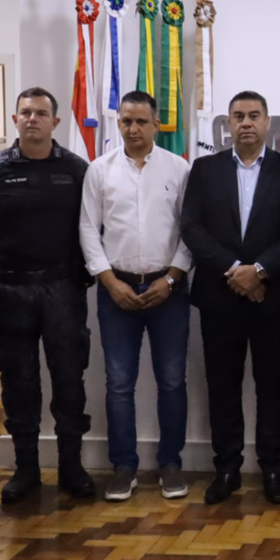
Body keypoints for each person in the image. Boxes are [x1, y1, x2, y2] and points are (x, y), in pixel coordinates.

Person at [181, 91, 280, 505]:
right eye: (238, 116)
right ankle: (227, 469)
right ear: (228, 123)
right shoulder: (204, 169)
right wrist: (235, 270)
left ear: (268, 122)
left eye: (254, 115)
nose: (246, 123)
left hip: (273, 297)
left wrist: (258, 271)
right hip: (220, 298)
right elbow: (192, 227)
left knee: (272, 387)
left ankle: (273, 469)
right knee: (222, 388)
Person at [0, 87, 94, 504]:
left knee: (69, 381)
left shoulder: (78, 170)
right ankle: (26, 469)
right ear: (15, 119)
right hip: (10, 290)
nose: (32, 119)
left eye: (41, 113)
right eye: (25, 112)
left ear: (55, 122)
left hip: (63, 288)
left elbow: (95, 228)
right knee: (19, 383)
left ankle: (71, 467)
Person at [79, 91, 192, 502]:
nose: (133, 129)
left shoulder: (178, 169)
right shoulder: (99, 170)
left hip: (169, 290)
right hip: (117, 291)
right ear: (118, 123)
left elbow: (189, 230)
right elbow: (89, 230)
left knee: (172, 381)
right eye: (126, 121)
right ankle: (123, 466)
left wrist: (173, 278)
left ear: (156, 124)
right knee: (119, 384)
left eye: (142, 121)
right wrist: (109, 282)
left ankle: (170, 462)